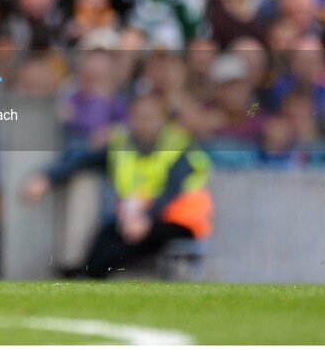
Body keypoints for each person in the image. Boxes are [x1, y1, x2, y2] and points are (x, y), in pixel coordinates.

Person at [24, 92, 212, 278]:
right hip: (137, 218)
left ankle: (88, 275)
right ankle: (84, 274)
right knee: (105, 235)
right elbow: (83, 161)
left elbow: (171, 191)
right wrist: (46, 177)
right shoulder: (122, 144)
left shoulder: (180, 144)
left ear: (163, 118)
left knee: (117, 248)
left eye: (150, 116)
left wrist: (144, 218)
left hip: (178, 221)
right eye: (138, 116)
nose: (144, 122)